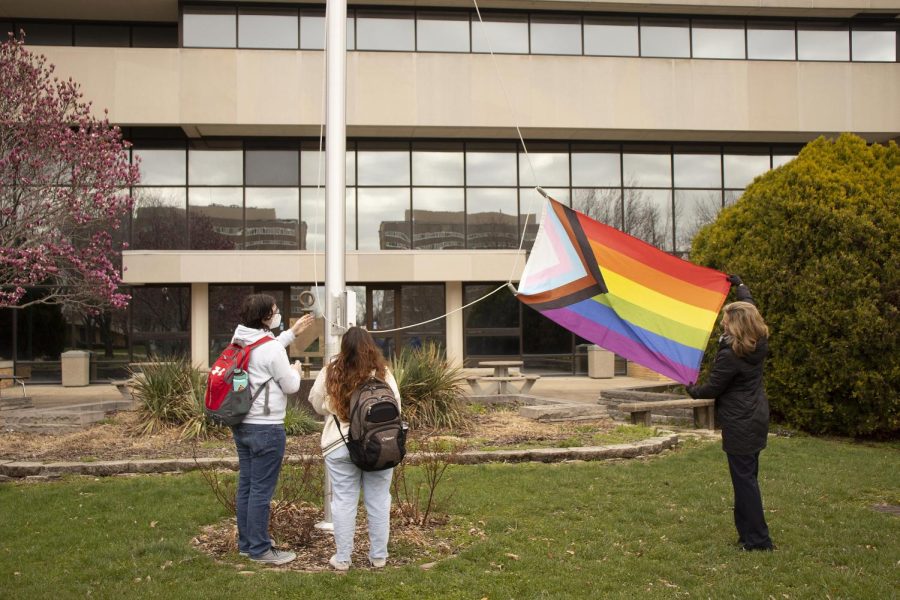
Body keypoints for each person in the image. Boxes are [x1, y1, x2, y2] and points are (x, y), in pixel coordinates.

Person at [687, 275, 775, 552]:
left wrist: (691, 389)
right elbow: (749, 307)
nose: (722, 322)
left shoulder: (731, 354)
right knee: (746, 478)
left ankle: (759, 540)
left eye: (726, 320)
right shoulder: (757, 340)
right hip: (755, 416)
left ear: (735, 325)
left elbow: (712, 388)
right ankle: (747, 535)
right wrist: (741, 287)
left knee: (745, 482)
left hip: (740, 423)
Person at [308, 326, 401, 571]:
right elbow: (396, 407)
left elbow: (316, 403)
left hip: (340, 445)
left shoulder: (332, 371)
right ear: (370, 346)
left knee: (344, 501)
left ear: (344, 347)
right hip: (377, 445)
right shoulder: (383, 373)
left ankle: (343, 559)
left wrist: (333, 405)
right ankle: (379, 556)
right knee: (380, 500)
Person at [231, 294, 314, 565]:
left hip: (242, 424)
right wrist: (296, 370)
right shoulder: (271, 349)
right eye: (275, 311)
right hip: (267, 428)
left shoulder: (240, 338)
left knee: (247, 486)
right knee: (261, 492)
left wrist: (291, 333)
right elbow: (290, 386)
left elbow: (264, 350)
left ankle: (246, 544)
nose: (278, 314)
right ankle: (260, 550)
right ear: (266, 317)